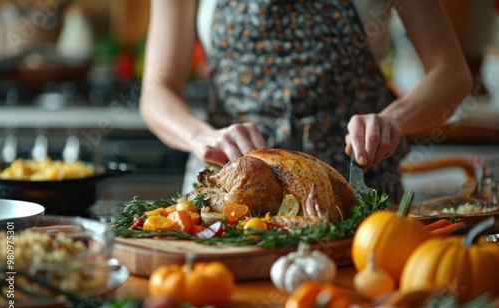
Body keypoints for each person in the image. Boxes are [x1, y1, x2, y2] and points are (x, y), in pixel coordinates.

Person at [139, 0, 472, 201]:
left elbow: (452, 73)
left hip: (356, 198)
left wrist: (393, 120)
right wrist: (202, 137)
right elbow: (157, 91)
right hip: (230, 195)